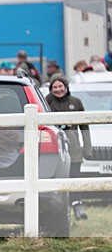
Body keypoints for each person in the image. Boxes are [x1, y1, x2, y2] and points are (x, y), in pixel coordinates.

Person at [46, 74, 92, 220]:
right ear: (51, 88)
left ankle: (78, 208)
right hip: (55, 149)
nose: (58, 90)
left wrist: (87, 148)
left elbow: (84, 126)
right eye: (55, 87)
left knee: (75, 178)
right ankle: (57, 211)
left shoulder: (76, 102)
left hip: (74, 149)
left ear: (66, 86)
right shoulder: (47, 102)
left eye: (61, 86)